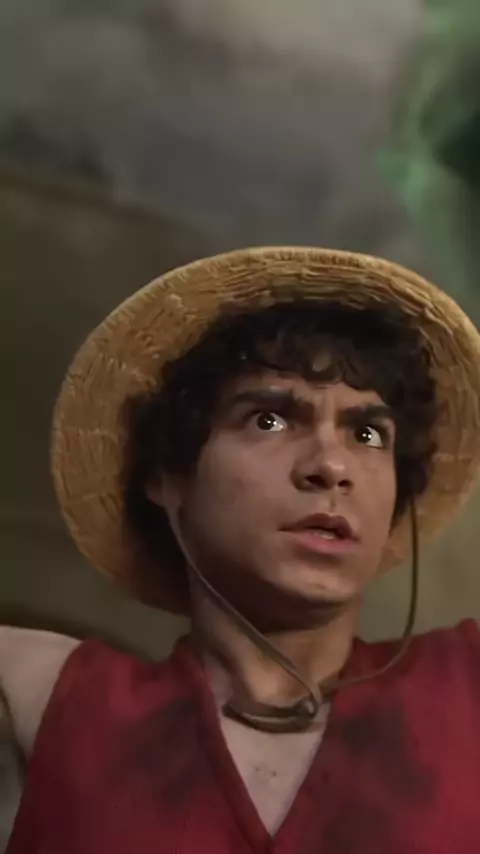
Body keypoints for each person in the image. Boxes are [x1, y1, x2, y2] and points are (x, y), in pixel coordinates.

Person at [1, 245, 480, 853]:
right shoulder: (47, 696)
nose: (331, 466)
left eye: (367, 433)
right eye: (268, 420)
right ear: (170, 476)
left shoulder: (465, 685)